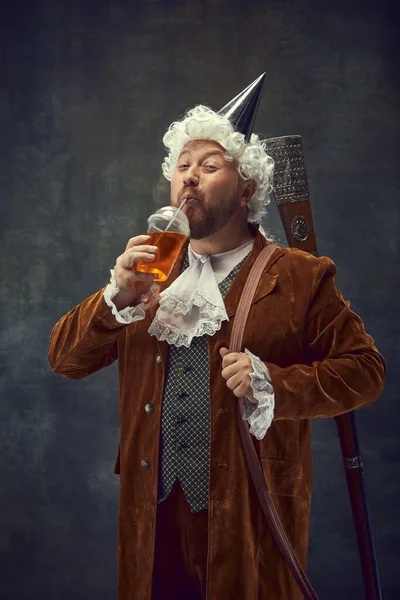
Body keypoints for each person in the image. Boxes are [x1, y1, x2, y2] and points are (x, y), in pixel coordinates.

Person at [48, 75, 386, 600]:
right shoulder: (148, 274)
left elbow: (366, 373)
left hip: (248, 517)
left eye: (209, 167)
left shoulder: (299, 275)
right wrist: (113, 301)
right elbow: (64, 359)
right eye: (182, 167)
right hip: (151, 520)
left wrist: (274, 382)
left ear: (247, 188)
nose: (190, 179)